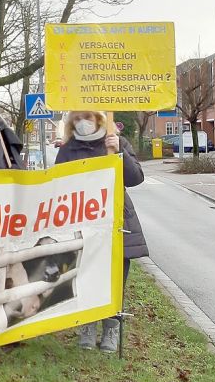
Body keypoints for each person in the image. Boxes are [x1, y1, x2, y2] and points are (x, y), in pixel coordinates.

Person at [56, 110, 148, 353]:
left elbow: (135, 178)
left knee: (115, 279)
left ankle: (111, 328)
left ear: (99, 118)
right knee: (86, 274)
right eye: (77, 118)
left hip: (116, 222)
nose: (82, 123)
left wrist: (120, 151)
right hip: (84, 223)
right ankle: (87, 325)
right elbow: (57, 186)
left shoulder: (117, 142)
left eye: (87, 117)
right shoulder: (68, 149)